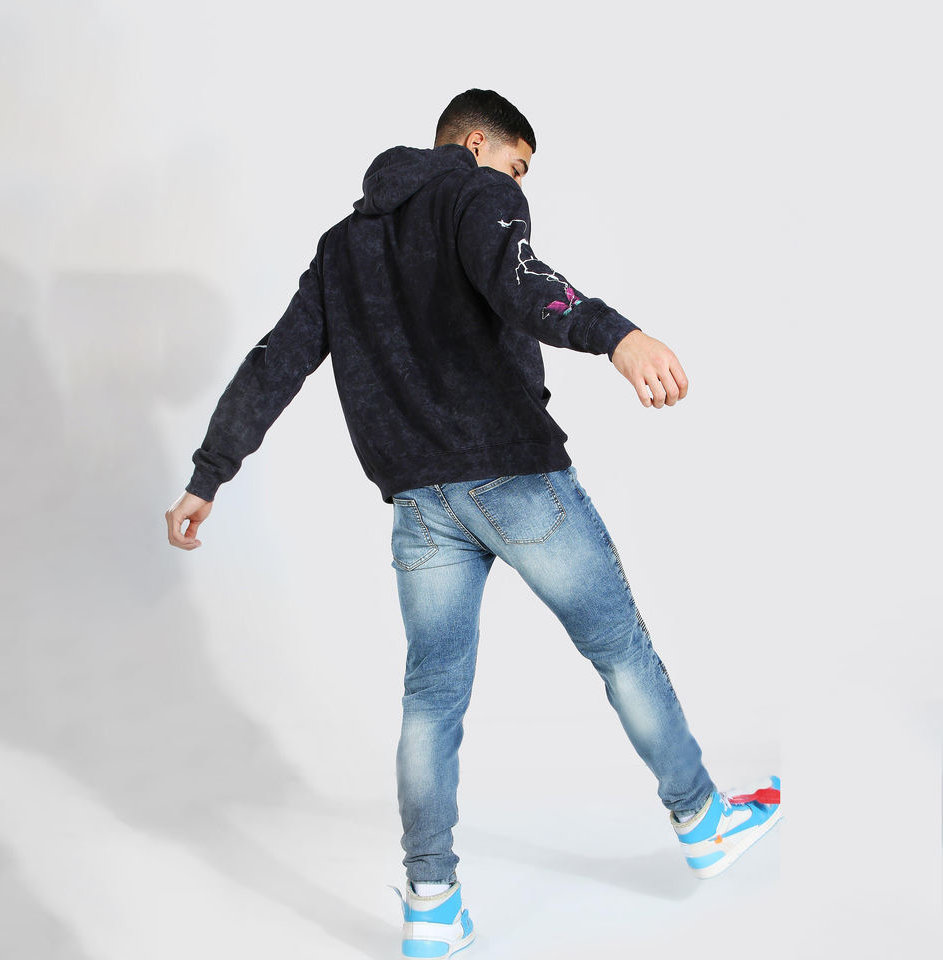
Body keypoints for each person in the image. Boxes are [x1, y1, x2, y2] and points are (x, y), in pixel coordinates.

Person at [165, 88, 782, 958]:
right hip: (513, 476)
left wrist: (209, 474)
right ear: (478, 140)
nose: (519, 184)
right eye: (519, 165)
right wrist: (619, 336)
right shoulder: (476, 190)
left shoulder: (342, 247)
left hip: (421, 502)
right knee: (619, 649)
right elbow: (522, 285)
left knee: (431, 698)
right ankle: (703, 822)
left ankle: (431, 903)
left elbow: (278, 361)